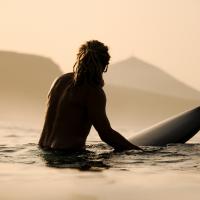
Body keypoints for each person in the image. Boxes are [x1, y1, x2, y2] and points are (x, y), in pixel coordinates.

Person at [39, 40, 143, 152]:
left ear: (79, 59)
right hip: (68, 155)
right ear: (104, 66)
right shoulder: (93, 92)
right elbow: (106, 134)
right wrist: (139, 152)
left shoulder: (59, 81)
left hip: (43, 151)